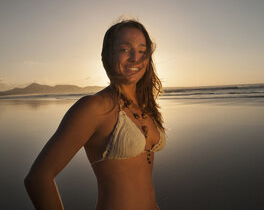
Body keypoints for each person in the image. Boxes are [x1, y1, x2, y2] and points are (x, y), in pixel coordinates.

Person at [24, 19, 167, 210]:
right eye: (125, 49)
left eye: (142, 51)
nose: (135, 58)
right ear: (107, 56)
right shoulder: (94, 107)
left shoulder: (146, 107)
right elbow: (38, 178)